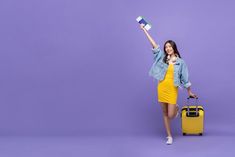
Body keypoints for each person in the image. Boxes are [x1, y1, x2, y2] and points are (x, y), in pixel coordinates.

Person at [140, 24, 197, 145]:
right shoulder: (162, 58)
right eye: (166, 47)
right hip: (161, 88)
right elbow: (154, 45)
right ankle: (169, 136)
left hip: (172, 89)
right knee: (165, 113)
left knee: (171, 115)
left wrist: (189, 91)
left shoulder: (181, 62)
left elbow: (185, 78)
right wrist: (144, 30)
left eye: (169, 46)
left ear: (174, 48)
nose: (167, 49)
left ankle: (176, 109)